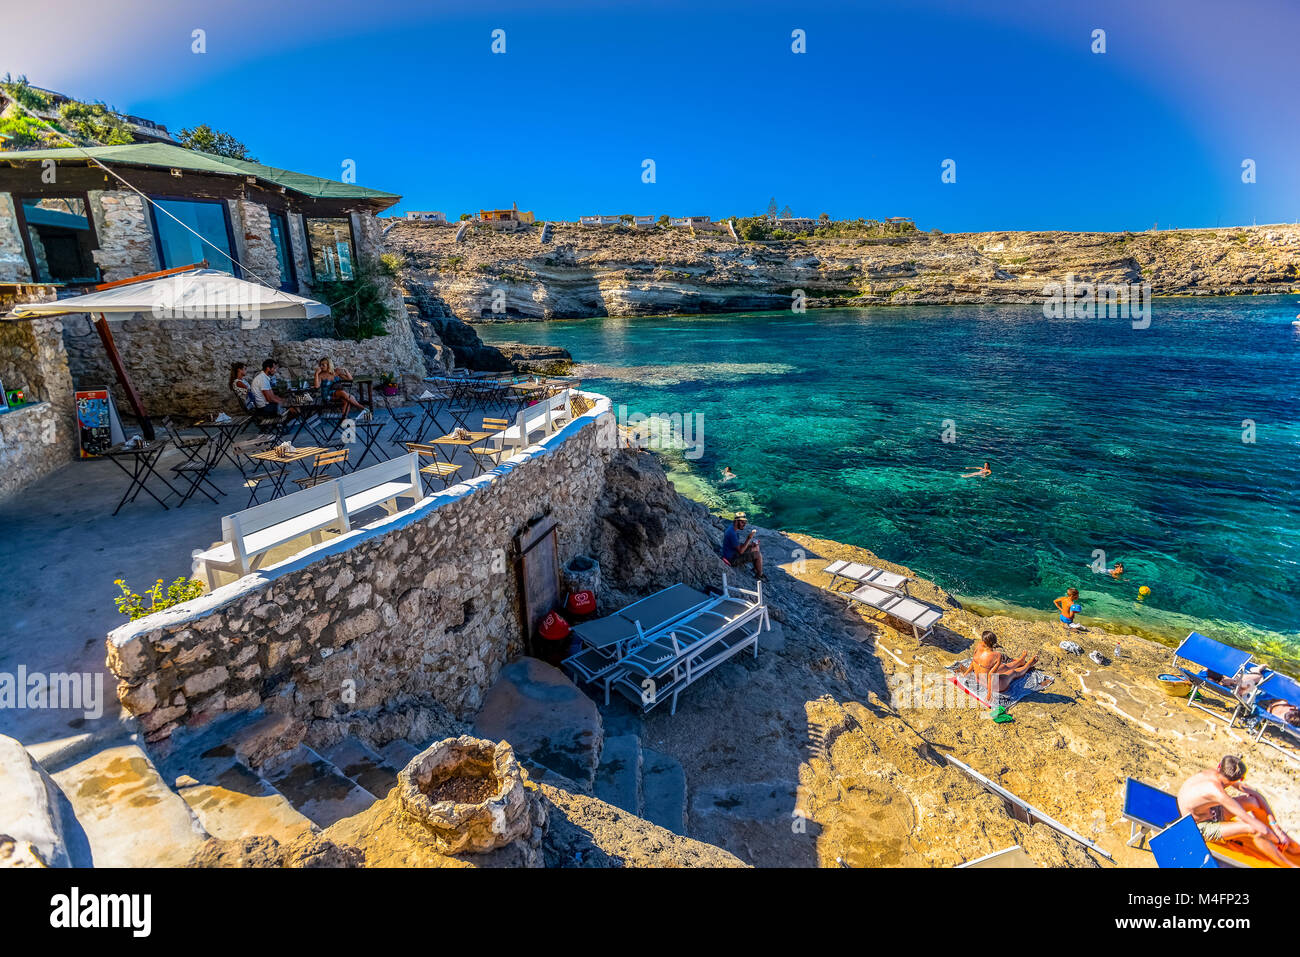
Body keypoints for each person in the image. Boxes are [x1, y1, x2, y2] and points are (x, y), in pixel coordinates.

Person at [1176, 756, 1298, 867]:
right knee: (1252, 829)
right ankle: (1287, 864)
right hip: (1199, 827)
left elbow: (1257, 795)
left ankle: (1288, 846)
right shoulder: (1217, 793)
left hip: (1211, 811)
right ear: (1240, 778)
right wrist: (1276, 839)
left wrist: (1276, 828)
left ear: (1220, 766)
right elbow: (1256, 826)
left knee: (1253, 802)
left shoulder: (1215, 774)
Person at [958, 630, 1038, 694]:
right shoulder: (997, 655)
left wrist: (965, 674)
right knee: (1012, 672)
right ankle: (1028, 665)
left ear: (983, 641)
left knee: (1003, 667)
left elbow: (973, 662)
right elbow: (990, 675)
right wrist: (989, 693)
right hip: (995, 686)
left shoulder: (979, 646)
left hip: (979, 680)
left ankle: (1020, 661)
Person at [722, 511, 764, 581]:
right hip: (732, 559)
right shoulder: (732, 533)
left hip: (733, 552)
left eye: (745, 522)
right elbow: (741, 551)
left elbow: (737, 545)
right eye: (742, 522)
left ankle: (756, 568)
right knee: (757, 554)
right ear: (736, 521)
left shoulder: (732, 529)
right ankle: (759, 575)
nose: (744, 524)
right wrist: (749, 538)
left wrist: (751, 545)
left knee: (755, 547)